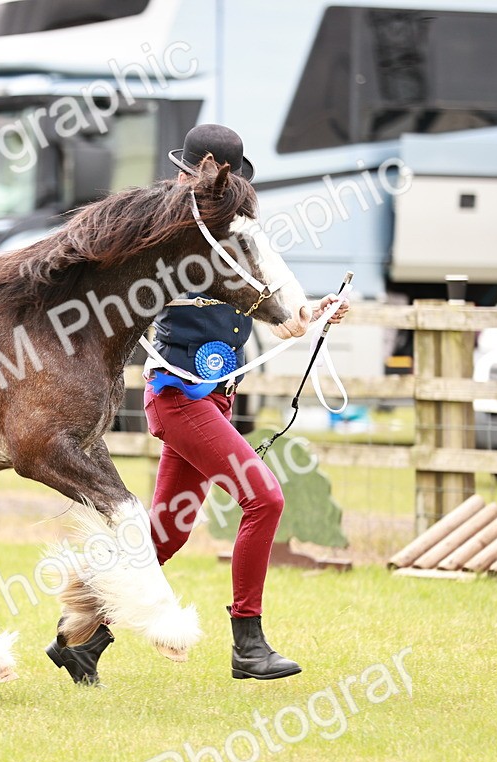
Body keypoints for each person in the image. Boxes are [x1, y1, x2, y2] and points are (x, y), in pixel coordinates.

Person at [46, 124, 348, 686]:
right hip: (180, 396)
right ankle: (248, 643)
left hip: (215, 397)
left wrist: (312, 310)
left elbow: (278, 303)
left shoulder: (234, 236)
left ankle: (80, 637)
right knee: (264, 499)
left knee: (167, 532)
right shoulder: (170, 239)